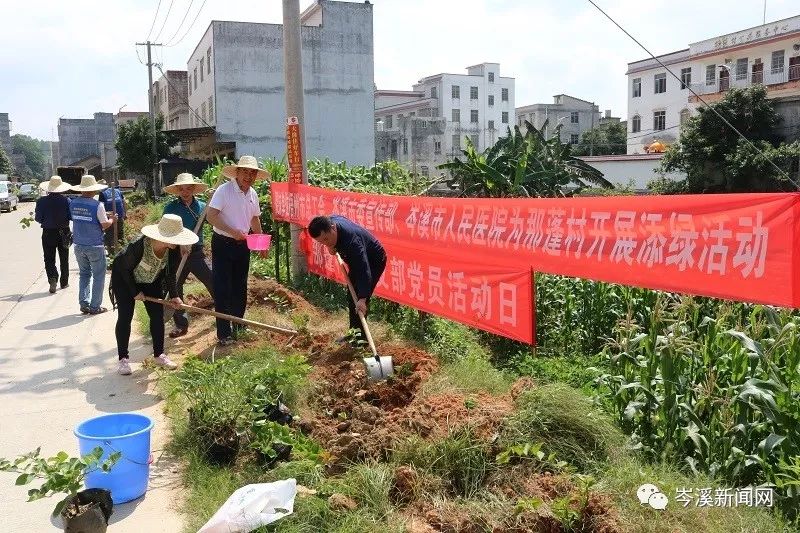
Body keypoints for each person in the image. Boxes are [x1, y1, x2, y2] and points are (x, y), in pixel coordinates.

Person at [108, 214, 198, 375]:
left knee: (157, 316)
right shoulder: (139, 245)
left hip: (150, 280)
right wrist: (134, 292)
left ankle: (159, 355)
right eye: (174, 238)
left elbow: (170, 274)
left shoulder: (172, 249)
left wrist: (174, 295)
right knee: (125, 316)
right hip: (124, 279)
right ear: (163, 236)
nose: (177, 241)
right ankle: (123, 359)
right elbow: (123, 268)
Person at [206, 155, 269, 346]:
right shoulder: (224, 191)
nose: (248, 176)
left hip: (243, 245)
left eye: (252, 173)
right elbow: (211, 216)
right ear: (237, 172)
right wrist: (232, 231)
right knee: (223, 287)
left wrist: (261, 242)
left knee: (240, 286)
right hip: (223, 243)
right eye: (245, 172)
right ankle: (224, 333)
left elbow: (255, 219)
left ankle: (239, 325)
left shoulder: (253, 194)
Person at [308, 215, 387, 345]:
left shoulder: (352, 243)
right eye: (322, 242)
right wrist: (331, 246)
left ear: (332, 228)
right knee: (351, 295)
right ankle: (354, 334)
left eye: (326, 239)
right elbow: (335, 216)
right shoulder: (331, 223)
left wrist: (362, 298)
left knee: (358, 298)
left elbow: (363, 270)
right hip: (358, 260)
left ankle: (361, 340)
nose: (326, 243)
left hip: (374, 259)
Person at [162, 173, 214, 338]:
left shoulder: (203, 206)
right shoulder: (170, 208)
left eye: (188, 189)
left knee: (212, 279)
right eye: (181, 189)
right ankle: (180, 324)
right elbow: (165, 232)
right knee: (175, 287)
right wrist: (180, 243)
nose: (185, 192)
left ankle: (224, 314)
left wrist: (214, 200)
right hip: (176, 252)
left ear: (194, 190)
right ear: (177, 190)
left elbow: (214, 220)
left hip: (196, 251)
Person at [69, 175, 116, 314]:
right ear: (94, 190)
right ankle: (95, 307)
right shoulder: (97, 205)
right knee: (98, 276)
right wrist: (112, 219)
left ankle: (84, 303)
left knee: (84, 274)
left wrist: (104, 214)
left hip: (78, 244)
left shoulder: (73, 203)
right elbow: (104, 225)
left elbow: (83, 218)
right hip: (94, 245)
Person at [35, 176, 72, 294]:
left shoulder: (41, 201)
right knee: (64, 257)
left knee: (49, 258)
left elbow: (38, 218)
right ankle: (64, 282)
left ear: (49, 189)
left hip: (48, 232)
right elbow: (71, 217)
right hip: (64, 232)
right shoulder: (67, 201)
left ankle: (52, 279)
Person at [99, 181, 127, 254]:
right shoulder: (117, 191)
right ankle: (123, 253)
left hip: (110, 218)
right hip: (120, 216)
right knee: (121, 235)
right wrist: (125, 213)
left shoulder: (102, 194)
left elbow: (100, 208)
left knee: (109, 237)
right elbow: (124, 202)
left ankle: (112, 255)